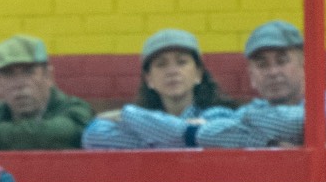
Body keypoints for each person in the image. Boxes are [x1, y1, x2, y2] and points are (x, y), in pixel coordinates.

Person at [103, 21, 326, 150]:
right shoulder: (243, 115)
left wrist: (129, 115)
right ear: (251, 75)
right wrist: (271, 145)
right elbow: (96, 135)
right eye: (262, 64)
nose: (273, 71)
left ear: (306, 65)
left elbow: (297, 122)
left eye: (282, 60)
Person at [82, 29, 236, 149]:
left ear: (198, 74)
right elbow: (94, 135)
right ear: (149, 79)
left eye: (181, 62)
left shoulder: (220, 115)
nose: (172, 71)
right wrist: (183, 136)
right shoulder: (141, 120)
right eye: (161, 64)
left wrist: (128, 115)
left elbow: (209, 135)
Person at [0, 34, 94, 150]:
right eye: (9, 74)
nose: (20, 84)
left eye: (28, 72)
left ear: (48, 76)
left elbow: (60, 133)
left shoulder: (76, 110)